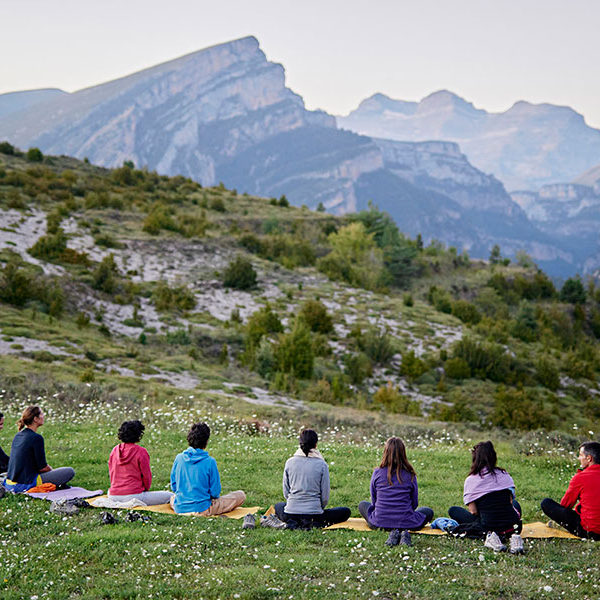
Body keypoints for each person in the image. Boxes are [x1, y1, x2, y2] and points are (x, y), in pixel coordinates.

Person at [448, 441, 522, 552]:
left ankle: (492, 537)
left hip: (488, 526)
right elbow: (510, 502)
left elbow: (473, 511)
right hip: (514, 526)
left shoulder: (471, 480)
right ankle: (512, 537)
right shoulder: (504, 474)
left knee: (454, 510)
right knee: (516, 505)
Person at [358, 437, 433, 545]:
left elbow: (374, 502)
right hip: (407, 522)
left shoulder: (377, 473)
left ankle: (394, 531)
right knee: (427, 511)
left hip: (379, 522)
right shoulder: (410, 474)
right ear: (403, 453)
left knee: (362, 505)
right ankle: (402, 531)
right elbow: (414, 503)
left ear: (385, 452)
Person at [274, 429, 351, 529]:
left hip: (291, 513)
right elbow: (325, 497)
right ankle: (309, 521)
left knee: (278, 506)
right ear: (316, 444)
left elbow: (286, 492)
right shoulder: (322, 465)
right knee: (345, 511)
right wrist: (317, 509)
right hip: (315, 514)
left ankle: (296, 521)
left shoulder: (289, 462)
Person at [170, 422, 245, 515]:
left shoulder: (179, 458)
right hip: (203, 508)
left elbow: (174, 486)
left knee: (172, 497)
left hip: (180, 507)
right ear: (206, 441)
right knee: (240, 495)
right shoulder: (210, 461)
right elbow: (215, 493)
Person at [2, 406, 74, 492]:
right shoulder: (36, 438)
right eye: (41, 414)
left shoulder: (18, 435)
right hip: (25, 484)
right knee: (69, 471)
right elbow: (42, 468)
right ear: (35, 419)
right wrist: (52, 471)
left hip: (10, 483)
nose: (43, 416)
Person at [541, 441, 600, 540]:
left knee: (546, 503)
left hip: (589, 531)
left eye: (581, 455)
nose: (579, 458)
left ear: (589, 458)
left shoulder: (581, 477)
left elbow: (565, 505)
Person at [108, 420, 173, 506]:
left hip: (113, 495)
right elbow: (146, 476)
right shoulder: (141, 452)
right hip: (134, 495)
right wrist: (145, 489)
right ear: (138, 435)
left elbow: (111, 473)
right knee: (170, 496)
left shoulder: (115, 450)